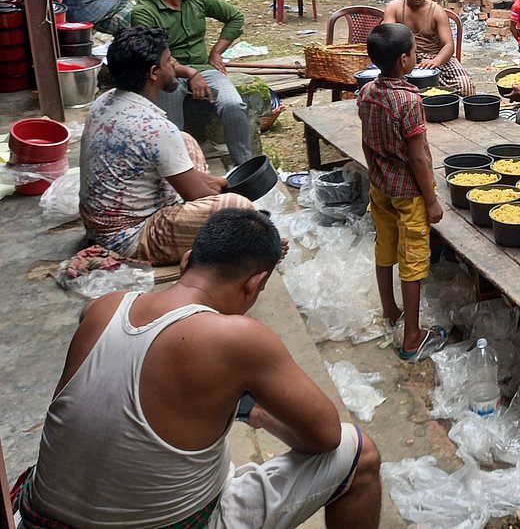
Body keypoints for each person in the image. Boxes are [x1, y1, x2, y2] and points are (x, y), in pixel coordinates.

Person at [18, 208, 381, 528]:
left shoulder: (103, 307)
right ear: (255, 284)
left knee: (209, 453)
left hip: (34, 518)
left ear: (186, 260)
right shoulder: (239, 338)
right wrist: (257, 414)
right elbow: (325, 437)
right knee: (358, 452)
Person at [78, 27, 258, 265]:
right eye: (169, 59)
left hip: (99, 221)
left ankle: (193, 199)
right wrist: (222, 188)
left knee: (184, 140)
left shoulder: (105, 99)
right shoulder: (155, 127)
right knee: (240, 209)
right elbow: (198, 196)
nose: (174, 63)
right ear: (154, 72)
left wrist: (215, 183)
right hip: (128, 237)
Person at [359, 23, 448, 361]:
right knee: (413, 259)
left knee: (386, 247)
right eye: (413, 52)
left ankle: (390, 310)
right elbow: (418, 156)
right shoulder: (409, 100)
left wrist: (374, 173)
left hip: (380, 187)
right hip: (409, 192)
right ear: (403, 61)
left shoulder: (367, 93)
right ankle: (413, 337)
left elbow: (367, 143)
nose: (416, 56)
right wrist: (431, 200)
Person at [131, 0, 255, 165]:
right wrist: (189, 73)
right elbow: (154, 56)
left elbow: (235, 17)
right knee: (170, 120)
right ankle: (180, 168)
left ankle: (245, 165)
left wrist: (216, 52)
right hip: (167, 74)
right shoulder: (145, 12)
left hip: (203, 69)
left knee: (234, 104)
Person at [382, 0, 476, 96]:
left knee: (465, 87)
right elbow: (389, 40)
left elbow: (448, 46)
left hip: (435, 57)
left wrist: (436, 61)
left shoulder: (436, 11)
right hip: (405, 58)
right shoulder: (394, 8)